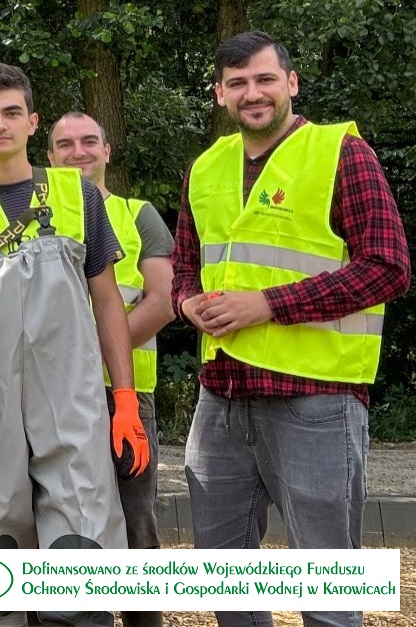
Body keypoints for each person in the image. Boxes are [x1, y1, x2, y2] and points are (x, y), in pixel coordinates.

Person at [172, 31, 410, 627]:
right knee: (227, 584)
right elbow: (184, 266)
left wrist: (270, 304)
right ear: (220, 94)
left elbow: (388, 266)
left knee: (326, 587)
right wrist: (187, 303)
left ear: (291, 83)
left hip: (316, 399)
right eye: (237, 83)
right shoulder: (205, 168)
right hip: (221, 399)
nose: (252, 93)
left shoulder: (340, 153)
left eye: (264, 79)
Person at [0, 62, 147, 627]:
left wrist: (124, 399)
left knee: (80, 561)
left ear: (31, 120)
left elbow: (109, 300)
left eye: (11, 113)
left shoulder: (80, 198)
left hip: (73, 403)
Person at [47, 112, 174, 627]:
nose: (78, 152)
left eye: (88, 142)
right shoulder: (35, 217)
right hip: (50, 402)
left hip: (123, 398)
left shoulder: (137, 214)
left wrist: (92, 359)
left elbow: (163, 301)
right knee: (54, 528)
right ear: (50, 156)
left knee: (134, 528)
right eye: (65, 145)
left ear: (107, 151)